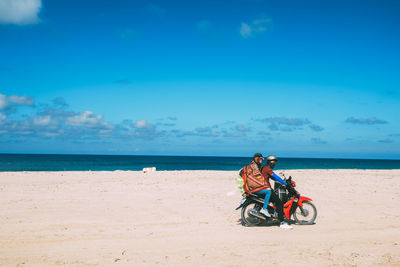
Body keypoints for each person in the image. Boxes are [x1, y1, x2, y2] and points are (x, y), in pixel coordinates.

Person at [242, 153, 292, 230]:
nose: (274, 164)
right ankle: (282, 222)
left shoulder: (264, 168)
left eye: (275, 162)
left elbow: (273, 178)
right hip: (264, 188)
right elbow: (275, 176)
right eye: (274, 162)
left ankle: (272, 213)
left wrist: (282, 181)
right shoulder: (267, 168)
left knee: (274, 198)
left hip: (262, 188)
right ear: (270, 162)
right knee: (279, 202)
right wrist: (285, 183)